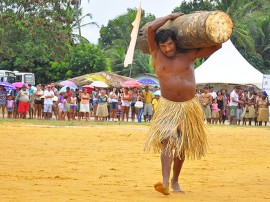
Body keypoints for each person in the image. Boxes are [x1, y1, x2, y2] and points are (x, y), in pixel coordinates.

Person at [144, 13, 222, 195]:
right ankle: (164, 181)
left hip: (188, 107)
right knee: (168, 142)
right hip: (167, 107)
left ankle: (175, 181)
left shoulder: (189, 54)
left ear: (176, 42)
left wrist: (213, 28)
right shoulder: (156, 54)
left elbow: (217, 45)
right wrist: (170, 16)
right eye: (163, 45)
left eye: (170, 44)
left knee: (181, 147)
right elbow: (150, 29)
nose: (167, 48)